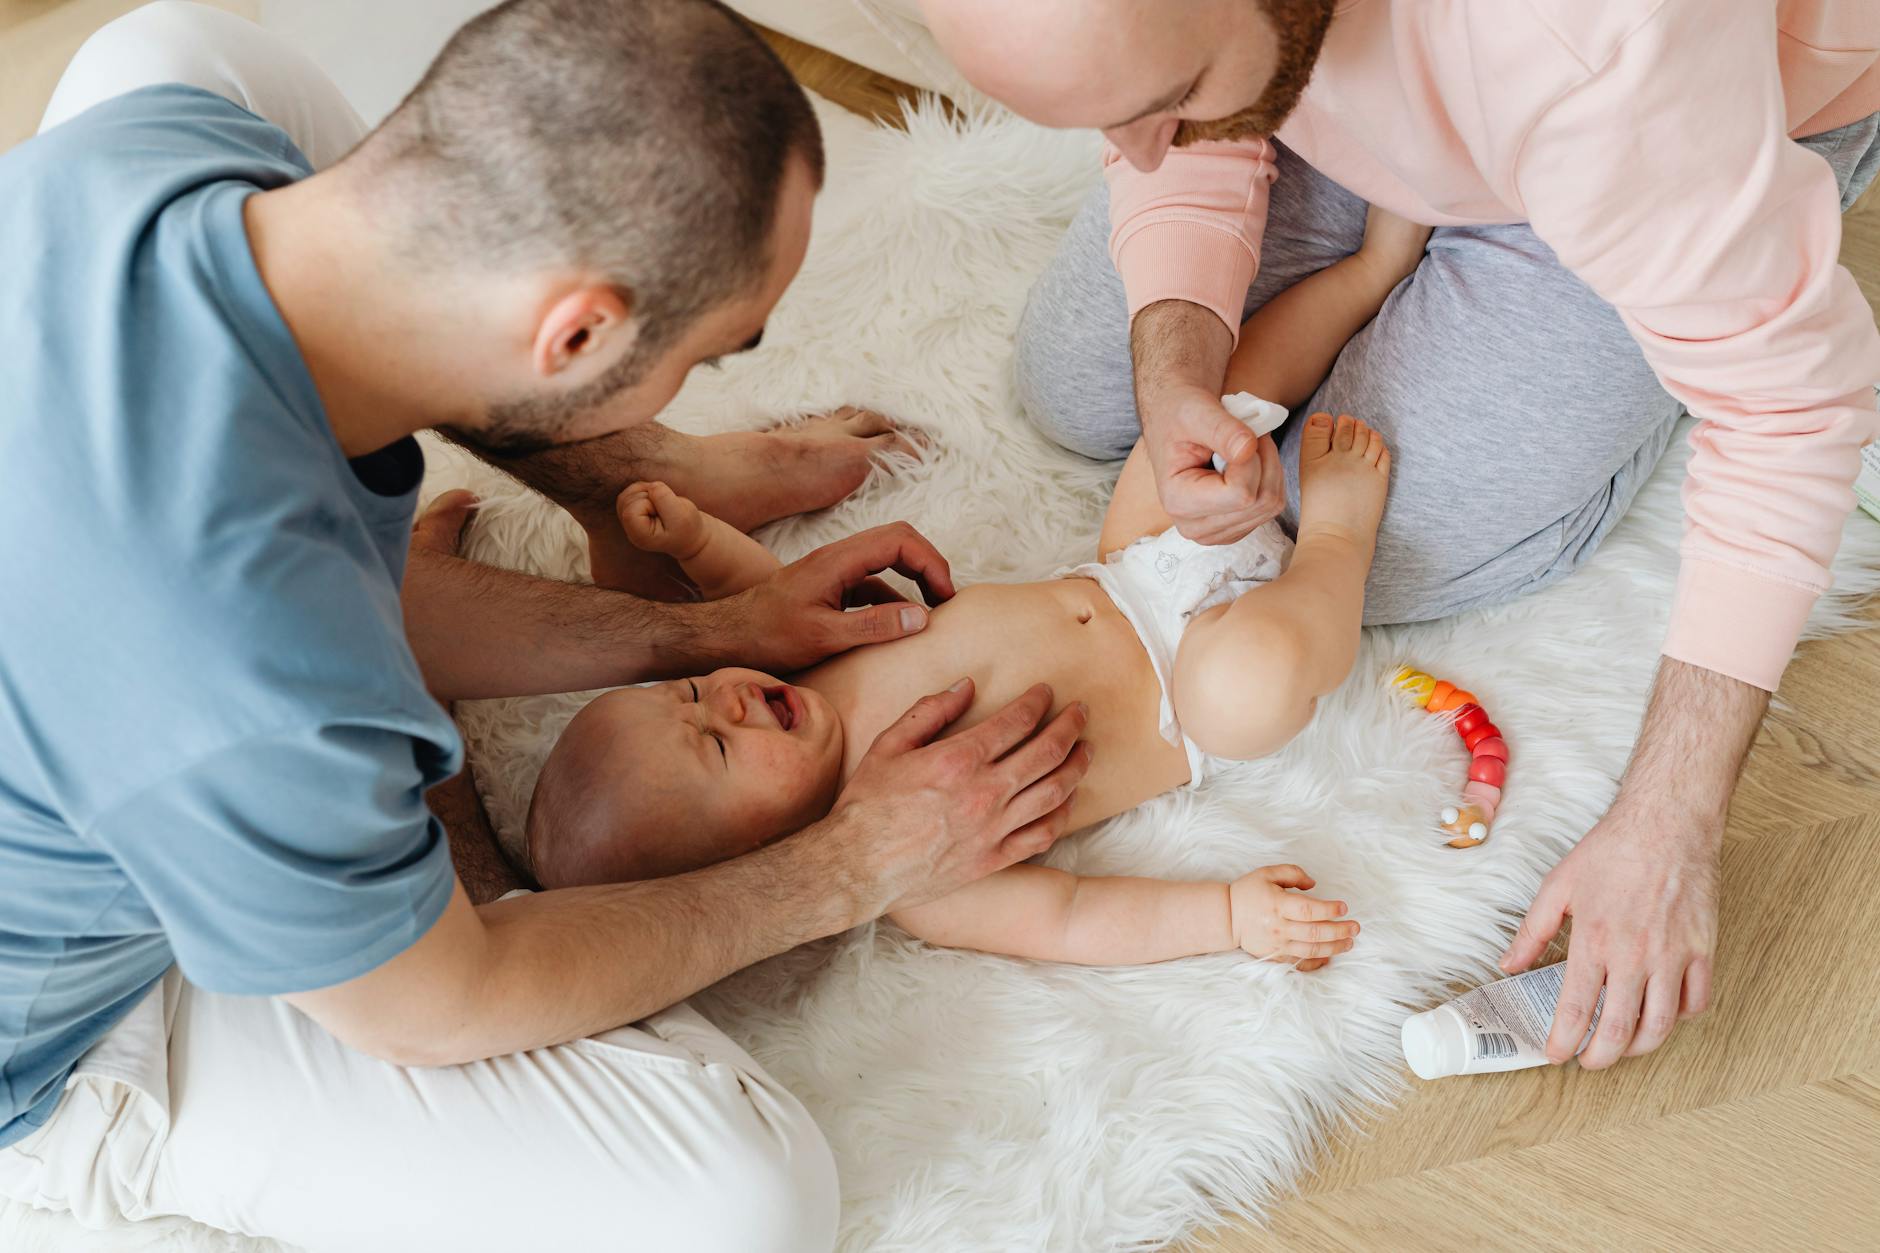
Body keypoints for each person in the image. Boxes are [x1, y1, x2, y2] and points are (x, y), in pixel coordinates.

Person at [0, 3, 1091, 1249]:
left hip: (121, 656)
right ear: (574, 334)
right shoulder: (243, 662)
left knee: (172, 43)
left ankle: (639, 476)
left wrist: (702, 628)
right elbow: (444, 998)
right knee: (740, 1197)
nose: (723, 365)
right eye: (715, 350)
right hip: (60, 1027)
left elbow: (326, 597)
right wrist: (861, 858)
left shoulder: (148, 162)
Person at [916, 0, 1880, 1071]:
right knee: (1083, 388)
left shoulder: (1596, 53)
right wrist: (1182, 368)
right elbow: (1174, 146)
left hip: (1648, 130)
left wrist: (1667, 820)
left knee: (1393, 533)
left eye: (1169, 102)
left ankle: (1668, 260)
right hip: (1377, 76)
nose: (1138, 149)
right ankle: (1378, 240)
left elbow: (1789, 412)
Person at [501, 207, 1432, 968]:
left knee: (1189, 422)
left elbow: (767, 590)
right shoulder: (919, 877)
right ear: (746, 856)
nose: (731, 701)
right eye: (715, 750)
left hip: (1134, 562)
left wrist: (700, 538)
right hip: (1190, 693)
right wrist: (1227, 915)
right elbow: (1069, 918)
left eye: (691, 691)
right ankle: (1336, 544)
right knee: (1251, 684)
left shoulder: (796, 671)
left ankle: (1366, 272)